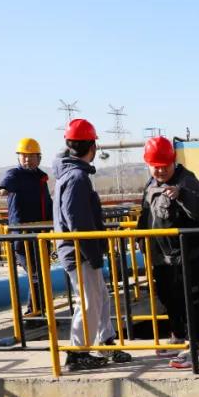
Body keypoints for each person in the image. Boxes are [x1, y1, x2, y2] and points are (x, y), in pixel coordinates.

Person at [53, 119, 131, 371]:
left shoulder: (71, 174)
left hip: (81, 249)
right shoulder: (76, 177)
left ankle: (105, 342)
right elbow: (78, 222)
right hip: (80, 251)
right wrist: (93, 253)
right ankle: (78, 353)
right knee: (88, 302)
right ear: (93, 146)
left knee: (100, 298)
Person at [136, 136, 199, 369]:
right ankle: (179, 336)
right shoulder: (151, 184)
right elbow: (145, 213)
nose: (160, 170)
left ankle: (195, 347)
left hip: (185, 255)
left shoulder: (187, 181)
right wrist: (141, 236)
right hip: (161, 256)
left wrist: (182, 195)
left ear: (173, 161)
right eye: (156, 166)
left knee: (190, 299)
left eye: (165, 166)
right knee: (167, 297)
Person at [0, 137, 52, 316]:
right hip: (22, 236)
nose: (27, 160)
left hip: (41, 235)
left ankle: (40, 312)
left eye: (32, 156)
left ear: (39, 158)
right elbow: (8, 180)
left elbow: (46, 203)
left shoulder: (41, 177)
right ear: (19, 158)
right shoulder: (16, 175)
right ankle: (33, 313)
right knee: (36, 274)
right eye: (24, 156)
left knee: (42, 274)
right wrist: (3, 188)